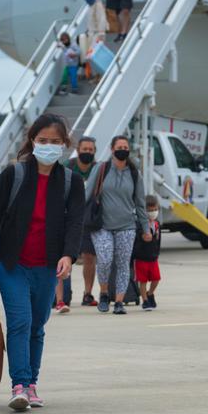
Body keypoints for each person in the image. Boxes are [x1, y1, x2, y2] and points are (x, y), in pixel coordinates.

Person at [0, 113, 85, 411]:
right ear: (32, 141)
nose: (49, 146)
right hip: (12, 264)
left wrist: (68, 255)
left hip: (47, 266)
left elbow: (76, 223)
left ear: (65, 145)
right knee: (20, 321)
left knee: (37, 325)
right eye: (43, 141)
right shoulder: (14, 175)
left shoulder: (72, 182)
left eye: (55, 142)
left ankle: (32, 384)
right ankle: (19, 385)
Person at [90, 135, 148, 315]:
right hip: (102, 226)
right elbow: (87, 193)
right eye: (119, 146)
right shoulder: (101, 169)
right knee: (105, 260)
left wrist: (146, 228)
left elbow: (140, 203)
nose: (123, 149)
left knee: (123, 264)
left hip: (127, 226)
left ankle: (120, 302)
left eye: (125, 147)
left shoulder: (134, 173)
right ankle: (104, 293)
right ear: (112, 149)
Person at [55, 136, 97, 311]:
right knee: (64, 256)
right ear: (78, 150)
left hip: (89, 219)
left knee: (89, 257)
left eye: (90, 150)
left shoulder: (98, 169)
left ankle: (88, 294)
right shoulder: (67, 167)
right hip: (68, 218)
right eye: (84, 149)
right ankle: (61, 299)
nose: (87, 152)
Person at [133, 195, 162, 311]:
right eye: (149, 211)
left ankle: (150, 293)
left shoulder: (157, 224)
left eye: (155, 210)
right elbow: (137, 237)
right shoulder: (139, 223)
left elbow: (159, 240)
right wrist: (142, 236)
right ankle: (144, 300)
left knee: (156, 278)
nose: (152, 213)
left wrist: (157, 252)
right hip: (141, 257)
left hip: (153, 257)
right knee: (143, 280)